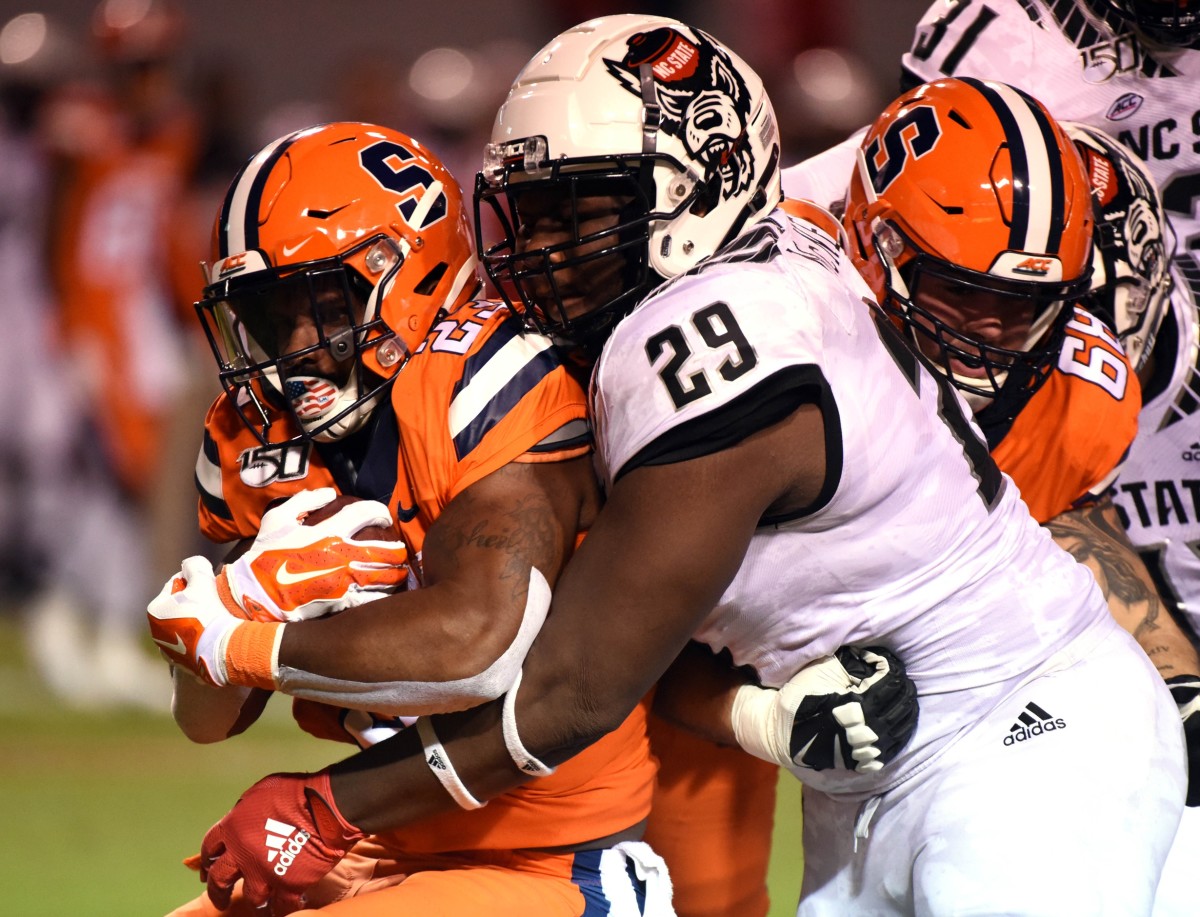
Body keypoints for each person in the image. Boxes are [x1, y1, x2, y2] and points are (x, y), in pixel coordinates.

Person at [151, 16, 1186, 915]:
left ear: (704, 188)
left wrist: (319, 788)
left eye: (587, 211)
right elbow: (644, 627)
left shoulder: (709, 335)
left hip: (1017, 725)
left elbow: (574, 682)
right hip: (869, 768)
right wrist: (762, 713)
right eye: (535, 211)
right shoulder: (723, 276)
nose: (546, 247)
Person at [159, 120, 674, 915]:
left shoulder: (487, 378)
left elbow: (480, 640)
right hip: (381, 844)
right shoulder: (251, 433)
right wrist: (241, 605)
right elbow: (207, 721)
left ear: (406, 278)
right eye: (266, 314)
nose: (293, 348)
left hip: (548, 863)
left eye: (321, 304)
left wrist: (241, 639)